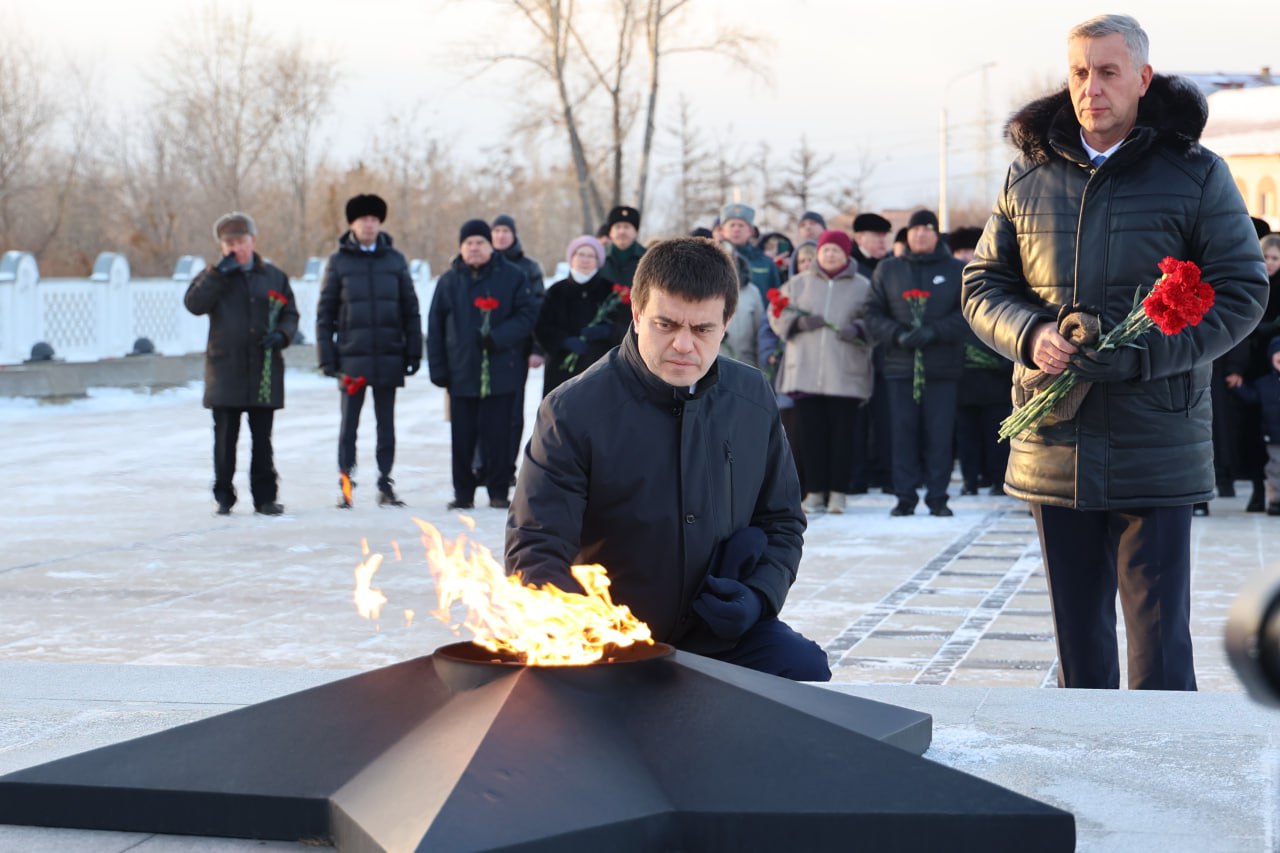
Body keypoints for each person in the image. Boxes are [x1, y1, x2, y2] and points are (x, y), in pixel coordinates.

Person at [961, 14, 1269, 690]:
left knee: (1160, 645)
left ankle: (1165, 776)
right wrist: (1030, 334)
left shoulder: (1195, 174)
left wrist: (1146, 353)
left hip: (1155, 435)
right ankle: (1084, 775)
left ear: (1141, 78)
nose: (1091, 88)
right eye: (1079, 72)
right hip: (1054, 436)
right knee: (1079, 645)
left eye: (1107, 72)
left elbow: (1242, 290)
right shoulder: (1028, 176)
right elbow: (983, 284)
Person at [506, 237, 830, 681]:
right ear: (637, 314)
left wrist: (757, 596)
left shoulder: (751, 397)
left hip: (717, 634)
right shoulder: (573, 411)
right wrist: (594, 635)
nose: (683, 345)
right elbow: (535, 549)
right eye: (666, 324)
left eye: (702, 330)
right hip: (607, 641)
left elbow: (782, 522)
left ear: (726, 323)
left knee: (803, 672)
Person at [184, 212, 298, 516]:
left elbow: (291, 313)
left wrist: (282, 334)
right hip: (226, 371)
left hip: (263, 369)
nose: (236, 248)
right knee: (224, 440)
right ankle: (224, 496)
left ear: (253, 241)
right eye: (229, 243)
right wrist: (217, 274)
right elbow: (194, 304)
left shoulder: (274, 276)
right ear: (222, 246)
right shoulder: (214, 276)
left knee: (262, 440)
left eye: (241, 241)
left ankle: (265, 498)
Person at [316, 193, 422, 508]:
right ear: (353, 224)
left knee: (385, 424)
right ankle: (346, 483)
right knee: (349, 425)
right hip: (352, 357)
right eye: (364, 220)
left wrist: (413, 351)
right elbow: (325, 313)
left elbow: (410, 310)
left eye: (374, 220)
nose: (369, 225)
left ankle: (385, 483)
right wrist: (327, 356)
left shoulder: (394, 260)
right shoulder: (339, 262)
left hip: (389, 354)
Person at [427, 219, 538, 510]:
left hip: (502, 371)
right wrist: (438, 368)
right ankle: (463, 493)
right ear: (461, 248)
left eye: (480, 243)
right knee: (462, 436)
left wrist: (498, 337)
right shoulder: (449, 281)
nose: (474, 248)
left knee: (498, 435)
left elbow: (527, 316)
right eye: (469, 244)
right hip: (461, 371)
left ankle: (498, 491)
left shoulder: (512, 276)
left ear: (490, 246)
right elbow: (435, 327)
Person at [866, 209, 968, 517]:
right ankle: (905, 496)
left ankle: (938, 497)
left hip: (941, 368)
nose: (920, 234)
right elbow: (871, 314)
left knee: (939, 435)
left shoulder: (955, 270)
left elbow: (967, 313)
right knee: (902, 434)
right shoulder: (888, 270)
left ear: (937, 234)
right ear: (907, 234)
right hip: (899, 368)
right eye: (915, 229)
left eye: (927, 229)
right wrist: (897, 334)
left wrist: (934, 331)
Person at [768, 229, 874, 514]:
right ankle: (815, 491)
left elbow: (875, 318)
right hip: (806, 371)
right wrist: (798, 324)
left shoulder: (862, 286)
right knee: (810, 435)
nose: (830, 255)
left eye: (836, 251)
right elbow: (776, 313)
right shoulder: (798, 283)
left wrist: (860, 329)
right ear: (818, 253)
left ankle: (838, 492)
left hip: (845, 373)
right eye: (826, 250)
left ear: (846, 254)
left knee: (842, 437)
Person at [950, 225, 1010, 496]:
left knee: (996, 431)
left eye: (969, 250)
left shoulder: (994, 278)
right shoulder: (952, 282)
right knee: (967, 433)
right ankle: (970, 480)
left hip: (995, 371)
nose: (965, 256)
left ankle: (998, 479)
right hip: (963, 373)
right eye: (959, 251)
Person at [1223, 232, 1280, 511]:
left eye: (1275, 258)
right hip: (1251, 367)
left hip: (1274, 366)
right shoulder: (1251, 284)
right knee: (1250, 432)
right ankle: (1258, 490)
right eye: (1265, 257)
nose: (1269, 263)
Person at [490, 213, 546, 486]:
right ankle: (483, 464)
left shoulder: (528, 267)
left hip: (517, 351)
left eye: (505, 231)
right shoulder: (480, 263)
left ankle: (507, 465)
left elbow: (537, 310)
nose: (500, 236)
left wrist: (537, 348)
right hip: (485, 351)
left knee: (512, 412)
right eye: (496, 231)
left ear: (514, 235)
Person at [535, 234, 628, 396]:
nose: (585, 260)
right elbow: (541, 327)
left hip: (599, 369)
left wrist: (608, 331)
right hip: (560, 370)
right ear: (572, 258)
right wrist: (563, 341)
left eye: (591, 256)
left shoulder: (611, 292)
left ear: (598, 261)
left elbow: (626, 327)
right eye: (581, 254)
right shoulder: (556, 291)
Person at [1230, 337, 1280, 515]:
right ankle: (1275, 500)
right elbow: (1251, 397)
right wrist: (1238, 386)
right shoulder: (1264, 383)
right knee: (1275, 468)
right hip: (1273, 437)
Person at [721, 202, 781, 305]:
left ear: (750, 231)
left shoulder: (766, 263)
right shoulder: (711, 262)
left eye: (741, 225)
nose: (736, 229)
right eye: (732, 225)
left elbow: (777, 298)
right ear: (723, 231)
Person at [600, 205, 645, 287]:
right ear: (610, 232)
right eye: (617, 227)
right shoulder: (599, 257)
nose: (622, 231)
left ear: (636, 232)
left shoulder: (647, 258)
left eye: (626, 227)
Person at [850, 213, 892, 278]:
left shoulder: (892, 263)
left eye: (884, 236)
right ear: (859, 238)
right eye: (877, 235)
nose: (882, 241)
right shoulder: (848, 265)